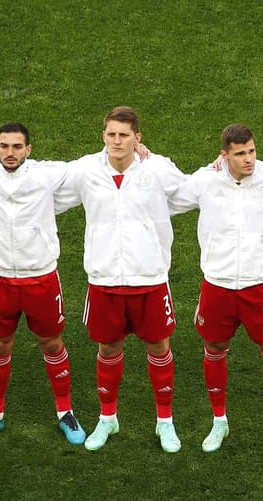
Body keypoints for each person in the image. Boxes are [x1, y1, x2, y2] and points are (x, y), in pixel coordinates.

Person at [169, 124, 263, 455]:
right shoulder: (206, 181)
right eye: (240, 153)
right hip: (218, 283)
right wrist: (143, 159)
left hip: (261, 283)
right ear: (224, 155)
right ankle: (219, 421)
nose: (249, 159)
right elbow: (168, 197)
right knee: (214, 348)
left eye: (252, 151)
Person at [0, 123, 83, 446]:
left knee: (52, 343)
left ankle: (65, 412)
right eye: (5, 146)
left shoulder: (46, 175)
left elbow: (89, 169)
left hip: (42, 278)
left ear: (29, 150)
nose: (11, 153)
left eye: (17, 147)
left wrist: (137, 153)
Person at [62, 106, 189, 453]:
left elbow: (192, 192)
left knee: (159, 347)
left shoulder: (158, 168)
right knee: (107, 348)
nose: (117, 141)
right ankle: (107, 418)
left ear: (138, 138)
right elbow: (45, 184)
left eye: (124, 135)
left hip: (149, 278)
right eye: (111, 134)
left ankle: (165, 422)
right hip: (104, 279)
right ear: (103, 135)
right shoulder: (86, 170)